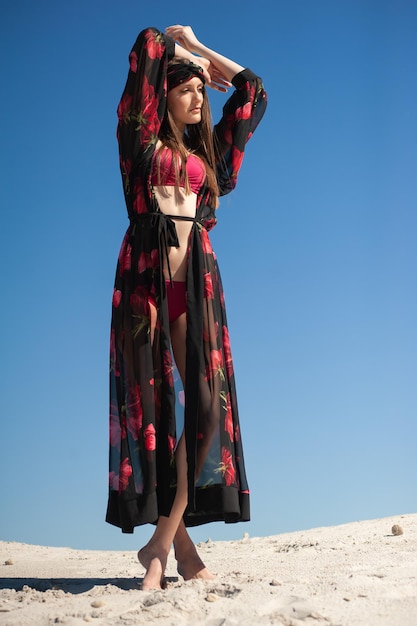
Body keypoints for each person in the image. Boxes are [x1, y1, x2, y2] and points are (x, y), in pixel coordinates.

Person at [106, 24, 267, 590]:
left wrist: (200, 51)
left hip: (196, 283)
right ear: (164, 95)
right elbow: (148, 45)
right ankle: (177, 552)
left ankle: (159, 541)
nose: (200, 97)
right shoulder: (141, 141)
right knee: (155, 416)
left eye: (203, 89)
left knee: (201, 407)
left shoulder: (211, 159)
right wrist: (177, 46)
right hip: (146, 281)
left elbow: (253, 92)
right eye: (188, 89)